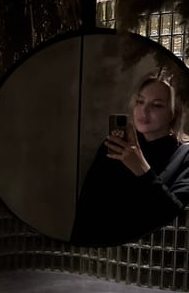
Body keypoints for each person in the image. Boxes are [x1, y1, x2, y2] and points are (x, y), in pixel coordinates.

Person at [70, 73, 189, 247]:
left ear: (174, 112)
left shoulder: (184, 155)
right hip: (105, 261)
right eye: (140, 101)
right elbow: (87, 212)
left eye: (156, 105)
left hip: (153, 259)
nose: (144, 111)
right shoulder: (113, 147)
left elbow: (176, 221)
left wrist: (143, 170)